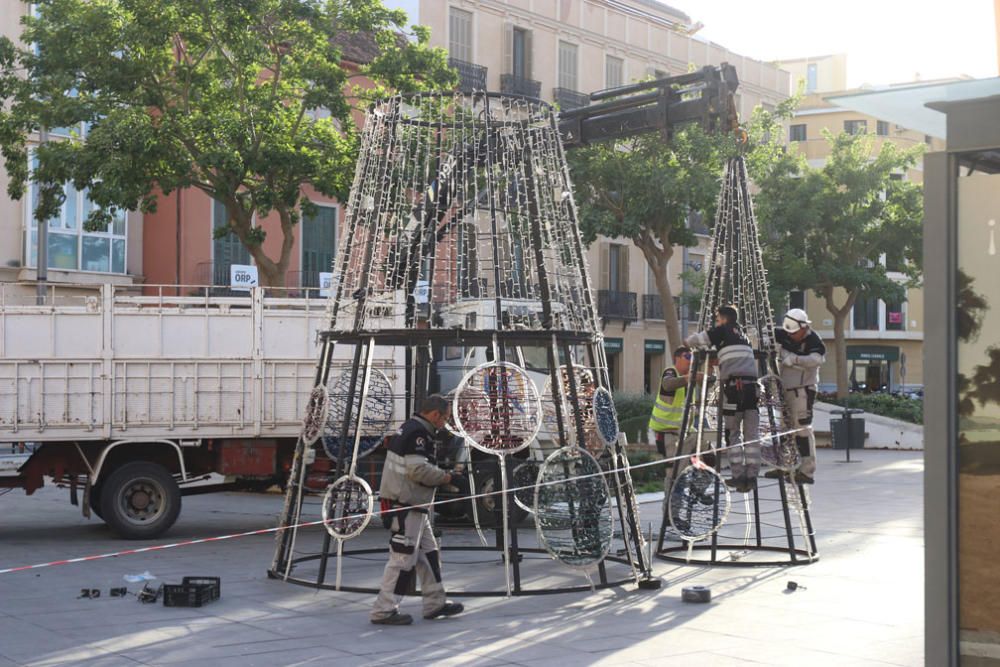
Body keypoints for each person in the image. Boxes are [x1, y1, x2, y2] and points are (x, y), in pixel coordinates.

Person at [371, 394, 465, 626]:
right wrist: (447, 477)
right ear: (435, 415)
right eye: (445, 418)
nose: (445, 423)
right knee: (402, 559)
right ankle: (384, 610)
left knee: (428, 555)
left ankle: (435, 603)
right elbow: (418, 471)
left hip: (413, 506)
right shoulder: (418, 434)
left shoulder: (411, 428)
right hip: (406, 506)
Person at [684, 305, 760, 492]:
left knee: (732, 433)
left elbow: (695, 340)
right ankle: (752, 477)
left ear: (724, 319)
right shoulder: (743, 336)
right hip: (752, 389)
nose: (717, 322)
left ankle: (738, 476)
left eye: (718, 319)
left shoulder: (721, 331)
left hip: (734, 390)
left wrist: (688, 342)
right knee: (751, 435)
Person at [769, 308, 827, 484]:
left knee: (802, 429)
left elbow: (816, 360)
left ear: (804, 327)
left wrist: (794, 359)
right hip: (785, 389)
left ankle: (807, 471)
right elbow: (766, 335)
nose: (790, 335)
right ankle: (785, 466)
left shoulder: (814, 341)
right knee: (785, 430)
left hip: (802, 390)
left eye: (794, 332)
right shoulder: (784, 333)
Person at [648, 346, 694, 460]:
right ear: (677, 358)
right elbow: (667, 384)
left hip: (683, 432)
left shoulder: (690, 378)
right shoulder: (670, 372)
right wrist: (687, 379)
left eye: (692, 357)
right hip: (665, 432)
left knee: (708, 456)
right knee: (673, 467)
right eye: (688, 356)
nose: (691, 360)